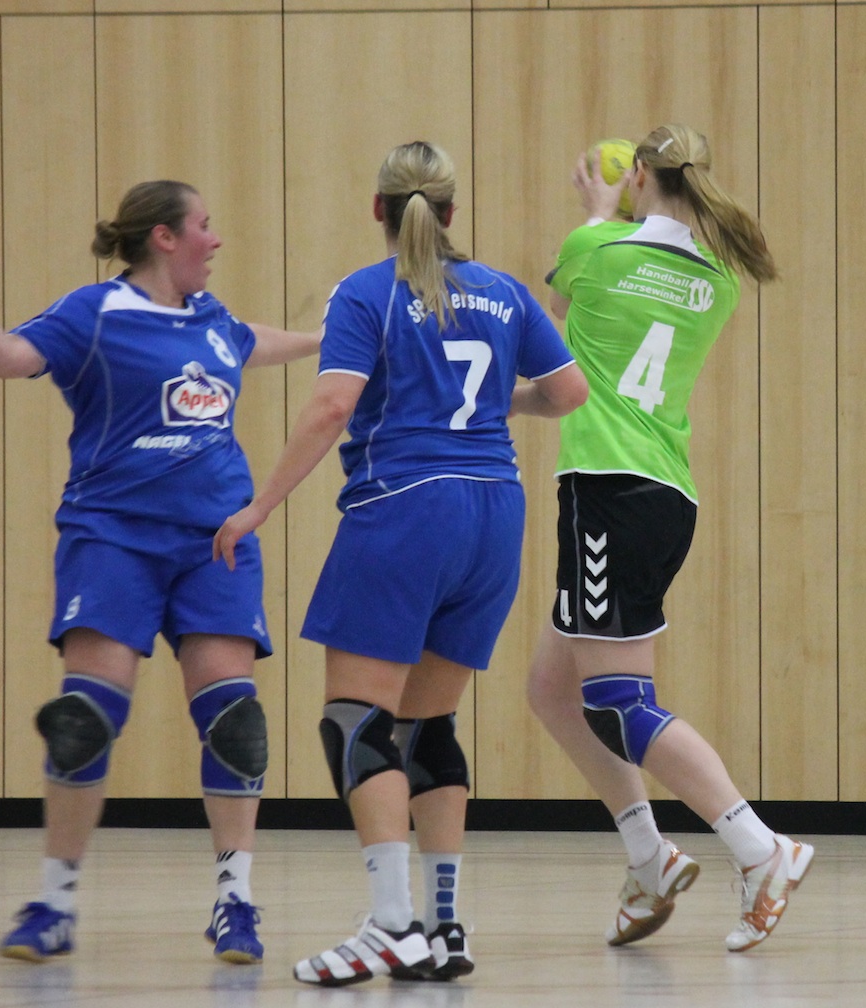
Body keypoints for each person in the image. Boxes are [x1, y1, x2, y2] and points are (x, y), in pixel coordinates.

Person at [0, 181, 322, 965]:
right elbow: (10, 359)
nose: (216, 239)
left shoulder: (212, 317)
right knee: (86, 718)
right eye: (204, 225)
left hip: (215, 540)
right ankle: (54, 902)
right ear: (164, 236)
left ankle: (235, 901)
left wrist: (324, 340)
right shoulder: (93, 314)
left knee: (235, 721)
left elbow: (248, 341)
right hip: (114, 535)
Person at [214, 140, 587, 987]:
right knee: (428, 726)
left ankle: (389, 925)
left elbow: (332, 405)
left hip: (406, 508)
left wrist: (260, 504)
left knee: (355, 720)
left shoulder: (367, 291)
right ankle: (442, 927)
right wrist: (496, 404)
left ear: (379, 210)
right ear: (452, 211)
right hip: (495, 515)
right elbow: (568, 394)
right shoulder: (504, 292)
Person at [526, 124, 814, 953]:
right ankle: (649, 857)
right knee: (552, 690)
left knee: (619, 703)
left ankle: (761, 849)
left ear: (641, 174)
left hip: (607, 490)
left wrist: (598, 212)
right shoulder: (717, 280)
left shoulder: (595, 249)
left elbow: (557, 329)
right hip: (665, 494)